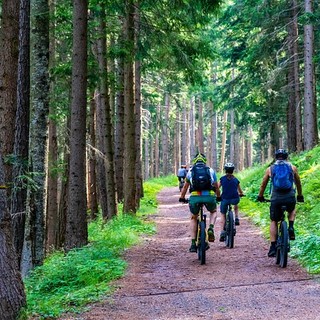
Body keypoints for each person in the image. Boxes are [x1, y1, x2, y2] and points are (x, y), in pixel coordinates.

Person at [257, 148, 304, 257]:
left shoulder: (270, 169)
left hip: (276, 198)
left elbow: (263, 184)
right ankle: (291, 226)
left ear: (276, 157)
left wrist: (260, 196)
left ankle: (273, 246)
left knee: (274, 220)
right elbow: (298, 183)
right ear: (286, 157)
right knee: (292, 209)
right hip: (290, 196)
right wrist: (300, 195)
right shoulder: (292, 167)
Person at [179, 153, 221, 252]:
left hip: (195, 197)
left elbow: (185, 187)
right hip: (209, 196)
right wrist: (218, 196)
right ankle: (210, 228)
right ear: (204, 161)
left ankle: (193, 244)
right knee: (213, 211)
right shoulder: (210, 170)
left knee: (193, 217)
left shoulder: (190, 171)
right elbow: (215, 185)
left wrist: (182, 197)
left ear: (195, 161)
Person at [218, 162, 244, 242]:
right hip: (234, 199)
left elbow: (217, 188)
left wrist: (217, 196)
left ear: (225, 170)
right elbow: (240, 191)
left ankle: (222, 231)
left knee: (223, 214)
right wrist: (241, 194)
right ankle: (236, 217)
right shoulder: (236, 180)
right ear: (233, 170)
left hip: (225, 199)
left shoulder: (222, 179)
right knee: (236, 203)